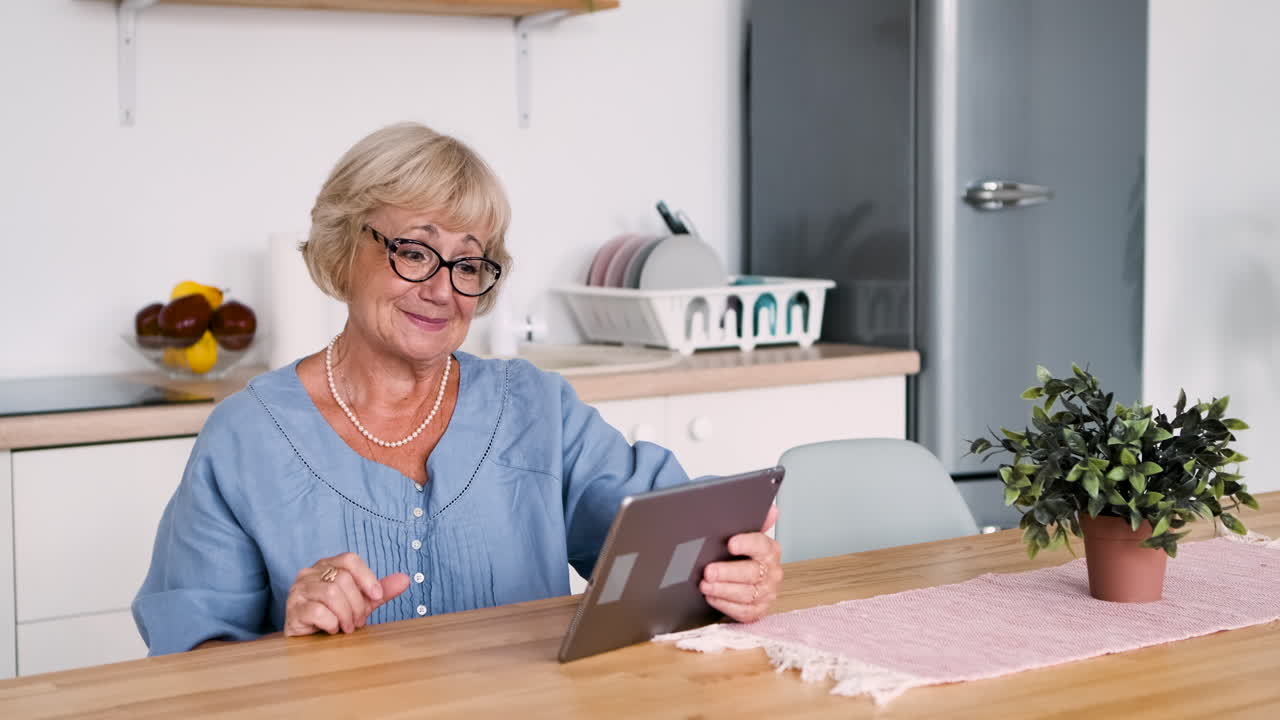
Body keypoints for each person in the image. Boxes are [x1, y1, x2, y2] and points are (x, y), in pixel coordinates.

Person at [133, 123, 783, 655]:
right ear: (341, 247)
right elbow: (191, 660)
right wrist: (291, 632)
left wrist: (736, 566)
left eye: (468, 262)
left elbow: (665, 535)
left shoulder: (535, 406)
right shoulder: (245, 437)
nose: (443, 289)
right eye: (414, 252)